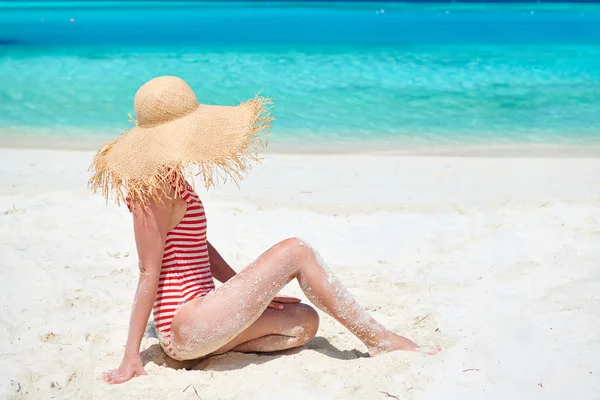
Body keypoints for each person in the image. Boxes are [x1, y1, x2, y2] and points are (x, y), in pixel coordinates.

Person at [89, 76, 436, 385]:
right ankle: (380, 340)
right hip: (184, 325)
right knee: (296, 249)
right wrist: (131, 356)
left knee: (303, 322)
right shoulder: (153, 187)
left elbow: (197, 246)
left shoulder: (171, 174)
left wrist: (250, 292)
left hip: (203, 319)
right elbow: (148, 271)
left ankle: (207, 351)